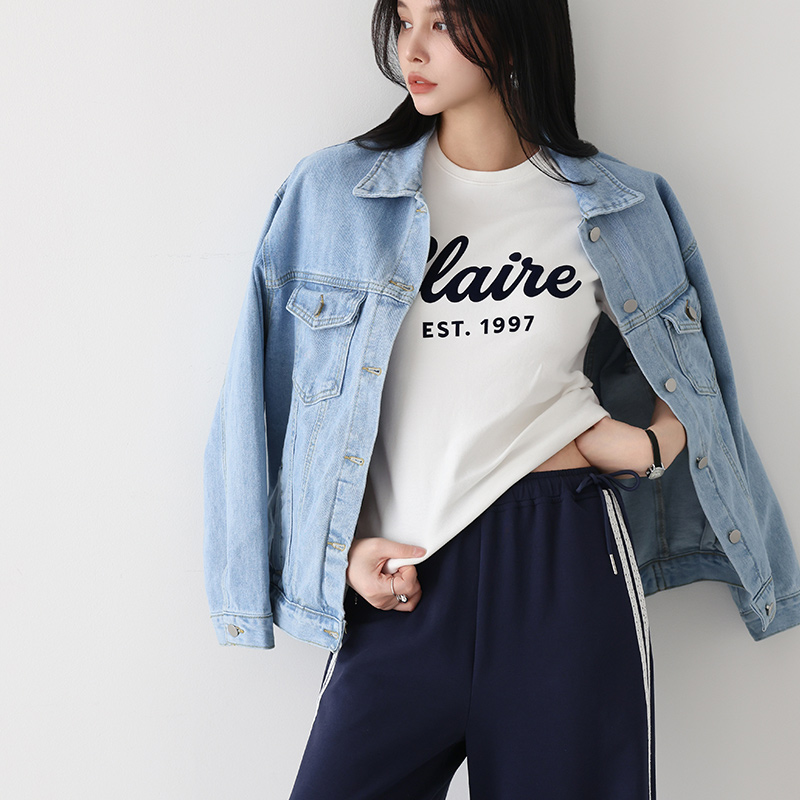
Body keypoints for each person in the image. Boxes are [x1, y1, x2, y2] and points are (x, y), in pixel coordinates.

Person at [202, 1, 800, 798]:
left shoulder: (620, 203)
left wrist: (645, 446)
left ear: (516, 30)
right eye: (404, 19)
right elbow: (260, 400)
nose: (412, 49)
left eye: (444, 22)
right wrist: (334, 559)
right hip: (406, 578)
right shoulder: (334, 195)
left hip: (565, 565)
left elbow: (695, 382)